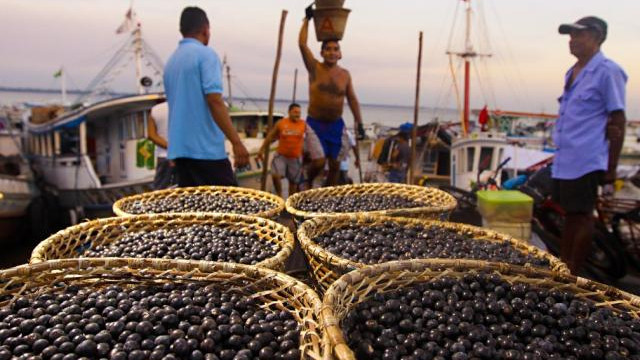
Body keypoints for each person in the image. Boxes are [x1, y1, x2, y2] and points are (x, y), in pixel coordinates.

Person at [553, 16, 627, 273]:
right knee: (569, 215)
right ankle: (563, 266)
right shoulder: (572, 72)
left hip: (587, 157)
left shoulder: (607, 71)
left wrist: (611, 169)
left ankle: (573, 271)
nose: (572, 41)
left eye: (578, 35)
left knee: (582, 215)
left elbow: (618, 119)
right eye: (570, 36)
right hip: (565, 159)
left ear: (597, 36)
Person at [163, 6, 249, 187]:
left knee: (196, 212)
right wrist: (236, 142)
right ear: (205, 29)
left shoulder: (171, 61)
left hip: (180, 153)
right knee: (230, 208)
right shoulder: (206, 55)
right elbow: (214, 100)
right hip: (206, 152)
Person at [299, 6, 364, 187]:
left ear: (340, 54)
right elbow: (302, 45)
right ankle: (308, 181)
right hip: (315, 123)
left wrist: (360, 124)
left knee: (336, 165)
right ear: (322, 53)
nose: (332, 52)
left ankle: (327, 198)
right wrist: (307, 20)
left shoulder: (345, 74)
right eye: (328, 49)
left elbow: (352, 100)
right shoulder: (314, 68)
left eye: (335, 49)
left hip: (336, 124)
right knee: (319, 162)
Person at [257, 103, 306, 197]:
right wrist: (261, 150)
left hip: (295, 158)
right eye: (295, 112)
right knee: (275, 175)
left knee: (293, 183)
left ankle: (289, 204)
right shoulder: (281, 123)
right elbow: (270, 136)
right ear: (289, 112)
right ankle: (279, 195)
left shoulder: (303, 124)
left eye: (299, 112)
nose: (297, 114)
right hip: (281, 156)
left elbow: (310, 140)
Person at [147, 102, 176, 189]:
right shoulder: (183, 106)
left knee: (160, 191)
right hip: (184, 156)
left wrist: (170, 147)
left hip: (163, 156)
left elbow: (151, 135)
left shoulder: (155, 110)